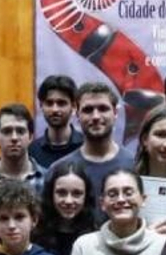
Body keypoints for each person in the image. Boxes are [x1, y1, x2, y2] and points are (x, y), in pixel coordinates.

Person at [49, 81, 137, 217]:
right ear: (77, 115)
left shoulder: (136, 165)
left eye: (103, 108)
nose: (95, 116)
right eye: (88, 110)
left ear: (115, 112)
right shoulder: (58, 170)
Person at [30, 74, 83, 170]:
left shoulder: (86, 146)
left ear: (74, 106)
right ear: (41, 105)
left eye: (61, 103)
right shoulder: (31, 151)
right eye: (49, 103)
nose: (55, 109)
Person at [0, 102, 44, 193]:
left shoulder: (47, 179)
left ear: (31, 137)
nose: (14, 138)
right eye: (7, 131)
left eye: (20, 131)